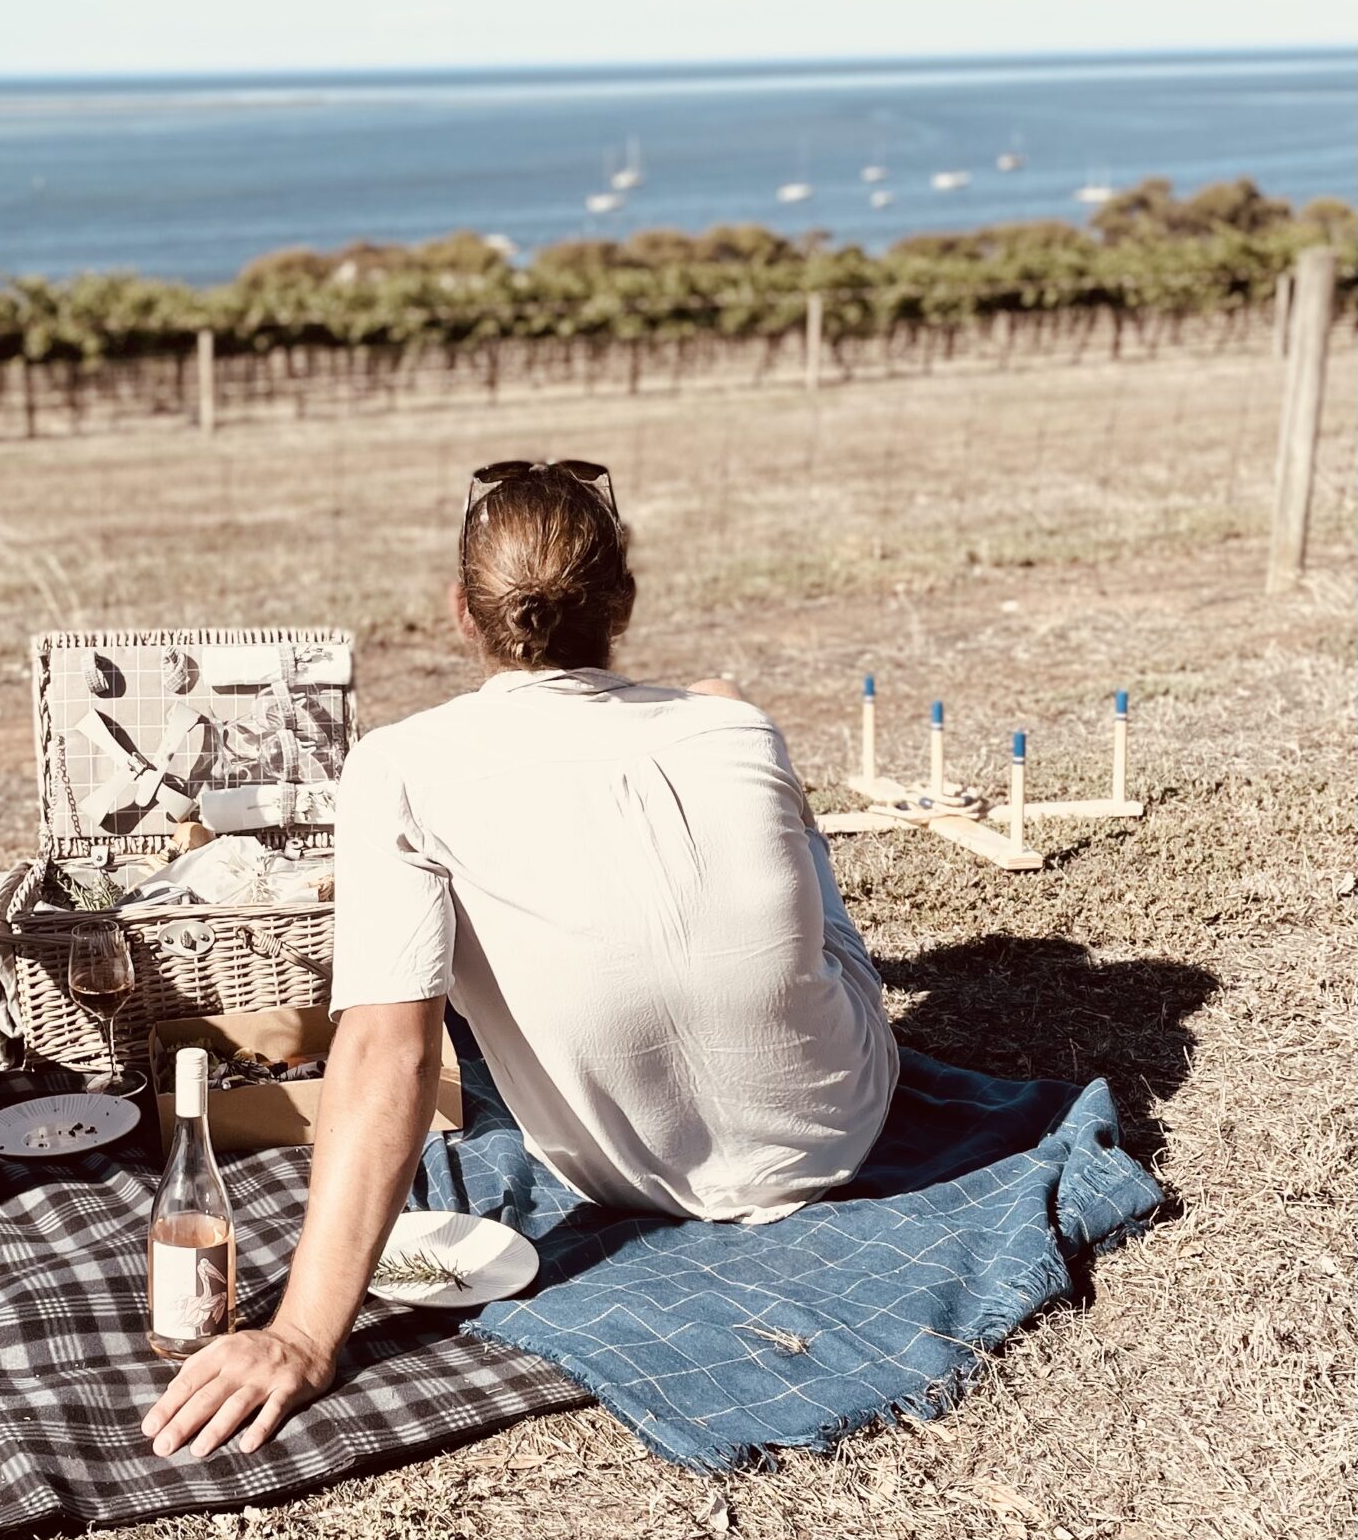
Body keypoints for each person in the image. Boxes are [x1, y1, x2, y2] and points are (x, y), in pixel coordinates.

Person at [143, 457, 898, 1459]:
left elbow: (387, 1053)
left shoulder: (400, 766)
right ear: (620, 602)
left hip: (621, 1173)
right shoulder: (737, 728)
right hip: (833, 1129)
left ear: (463, 611)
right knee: (742, 750)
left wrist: (298, 1334)